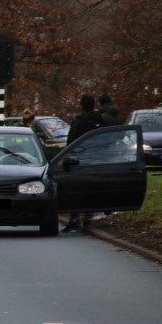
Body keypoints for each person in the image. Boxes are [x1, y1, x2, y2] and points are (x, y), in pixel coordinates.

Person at [62, 94, 107, 232]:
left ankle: (74, 218)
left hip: (80, 163)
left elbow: (70, 144)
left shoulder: (78, 123)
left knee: (76, 191)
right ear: (94, 105)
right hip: (98, 162)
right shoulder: (102, 122)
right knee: (93, 191)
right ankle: (89, 218)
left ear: (81, 106)